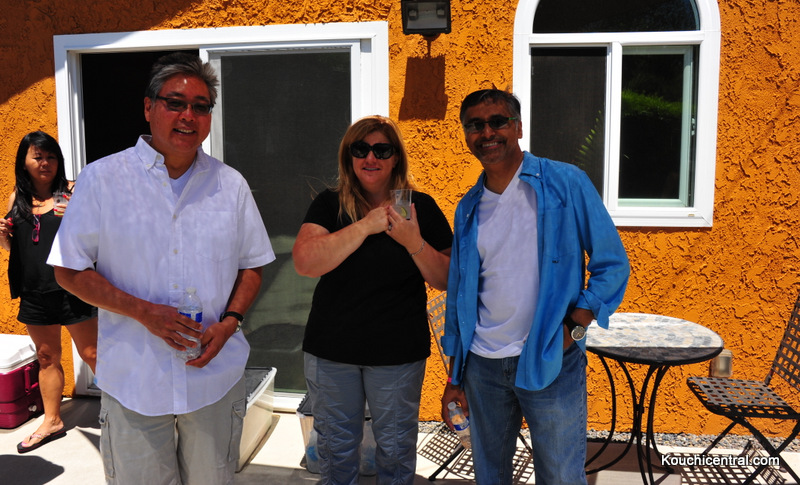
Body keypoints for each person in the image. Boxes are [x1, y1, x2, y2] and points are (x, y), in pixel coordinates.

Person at [47, 52, 275, 485]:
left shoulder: (230, 186)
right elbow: (69, 270)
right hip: (134, 379)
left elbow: (252, 266)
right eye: (175, 103)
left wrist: (230, 323)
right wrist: (143, 312)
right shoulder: (103, 179)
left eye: (201, 106)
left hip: (212, 378)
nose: (189, 116)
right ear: (149, 107)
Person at [441, 89, 630, 485]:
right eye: (475, 125)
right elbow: (459, 295)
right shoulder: (468, 207)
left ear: (519, 127)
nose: (487, 133)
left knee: (561, 477)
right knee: (490, 476)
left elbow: (612, 265)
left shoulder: (565, 183)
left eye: (498, 121)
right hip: (483, 366)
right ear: (466, 135)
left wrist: (573, 329)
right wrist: (454, 378)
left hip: (551, 358)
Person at [293, 115, 453, 484]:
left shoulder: (420, 207)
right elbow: (305, 261)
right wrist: (366, 225)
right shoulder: (330, 204)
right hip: (332, 351)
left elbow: (446, 278)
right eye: (360, 149)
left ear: (396, 158)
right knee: (336, 452)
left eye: (382, 150)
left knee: (395, 452)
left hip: (397, 355)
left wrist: (413, 241)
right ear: (348, 156)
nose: (370, 158)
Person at [0, 131, 97, 454]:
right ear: (24, 162)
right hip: (34, 291)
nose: (45, 163)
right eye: (38, 157)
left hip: (72, 288)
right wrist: (2, 236)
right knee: (46, 357)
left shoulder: (70, 192)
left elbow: (94, 235)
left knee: (93, 353)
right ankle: (52, 421)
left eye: (51, 156)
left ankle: (125, 414)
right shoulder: (17, 199)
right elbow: (15, 247)